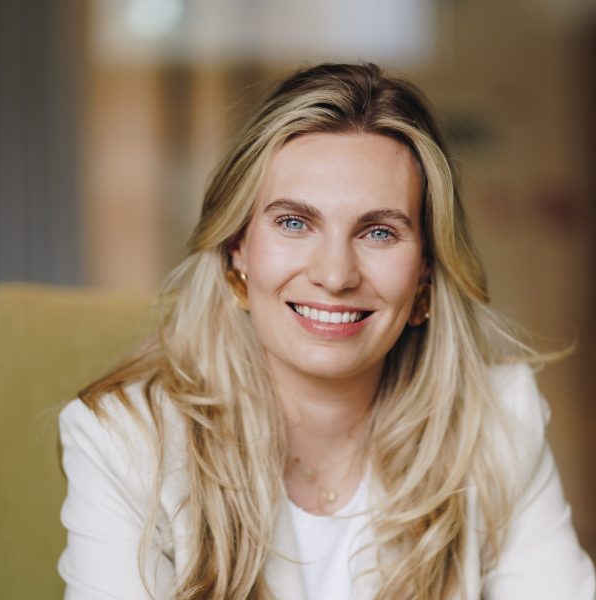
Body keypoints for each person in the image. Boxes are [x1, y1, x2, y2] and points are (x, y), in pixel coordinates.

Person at [58, 63, 595, 600]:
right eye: (294, 222)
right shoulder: (126, 442)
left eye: (379, 232)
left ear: (426, 271)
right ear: (237, 248)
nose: (336, 275)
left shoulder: (500, 420)